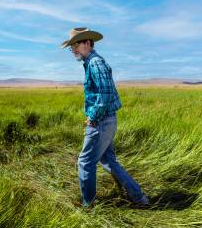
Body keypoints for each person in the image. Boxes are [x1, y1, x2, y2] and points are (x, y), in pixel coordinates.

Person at [61, 27, 149, 208]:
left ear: (87, 43)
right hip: (106, 121)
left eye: (75, 46)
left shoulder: (95, 63)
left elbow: (106, 93)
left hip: (101, 122)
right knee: (108, 160)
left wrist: (93, 117)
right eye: (72, 48)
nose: (74, 51)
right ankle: (139, 198)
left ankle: (88, 206)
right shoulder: (91, 62)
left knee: (85, 162)